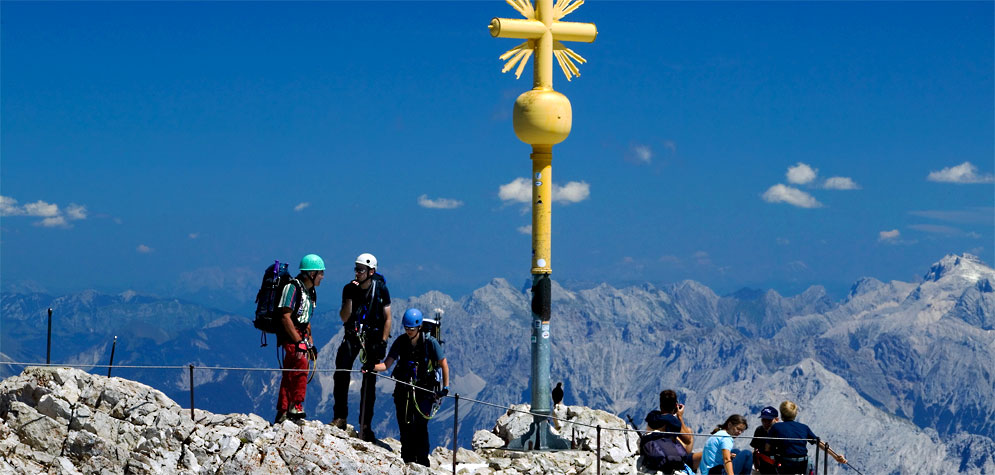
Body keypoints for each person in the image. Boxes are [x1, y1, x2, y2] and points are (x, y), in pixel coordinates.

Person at [372, 308, 450, 466]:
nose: (408, 331)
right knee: (404, 425)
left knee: (420, 426)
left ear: (419, 327)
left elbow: (443, 364)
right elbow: (387, 364)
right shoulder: (401, 342)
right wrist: (371, 366)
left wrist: (445, 388)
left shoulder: (430, 343)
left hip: (425, 391)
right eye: (406, 328)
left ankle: (422, 462)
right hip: (403, 390)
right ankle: (407, 460)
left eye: (411, 328)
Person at [331, 253, 392, 442]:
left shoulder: (381, 289)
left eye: (361, 270)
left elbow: (388, 318)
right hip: (353, 334)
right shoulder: (349, 289)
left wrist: (382, 342)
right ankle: (340, 417)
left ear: (371, 272)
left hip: (373, 338)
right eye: (356, 269)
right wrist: (349, 298)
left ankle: (365, 426)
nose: (357, 273)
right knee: (341, 371)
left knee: (369, 380)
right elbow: (344, 317)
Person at [274, 254, 324, 423]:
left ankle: (283, 410)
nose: (322, 277)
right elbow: (285, 317)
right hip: (291, 334)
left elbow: (306, 320)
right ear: (311, 273)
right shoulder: (292, 288)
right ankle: (296, 405)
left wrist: (310, 343)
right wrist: (298, 342)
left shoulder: (310, 291)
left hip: (300, 333)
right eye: (320, 273)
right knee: (300, 365)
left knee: (291, 370)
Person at [766, 401, 846, 474]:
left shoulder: (776, 427)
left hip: (785, 465)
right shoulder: (804, 427)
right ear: (795, 414)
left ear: (781, 413)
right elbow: (819, 443)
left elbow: (767, 449)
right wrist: (836, 456)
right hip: (802, 465)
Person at [750, 406, 779, 474]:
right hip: (762, 466)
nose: (766, 423)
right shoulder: (759, 430)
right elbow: (755, 449)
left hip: (777, 466)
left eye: (769, 420)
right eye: (763, 420)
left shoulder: (780, 432)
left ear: (776, 419)